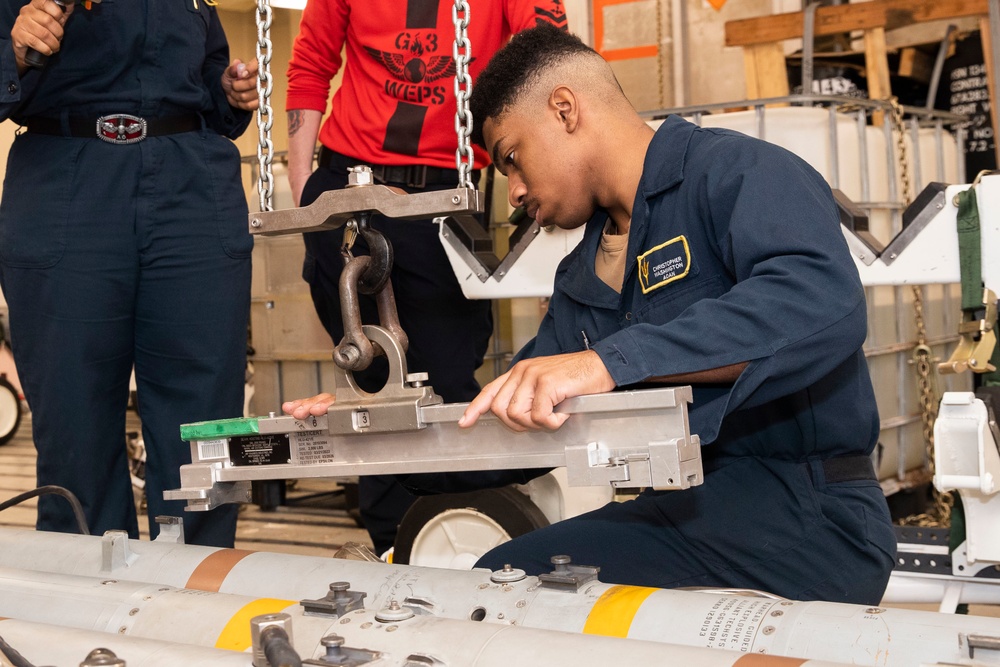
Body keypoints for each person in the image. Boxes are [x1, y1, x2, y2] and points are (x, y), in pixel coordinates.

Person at [287, 24, 897, 604]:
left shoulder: (736, 175)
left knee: (512, 586)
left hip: (814, 511)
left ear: (564, 109)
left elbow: (820, 301)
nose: (516, 191)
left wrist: (607, 363)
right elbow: (506, 426)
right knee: (500, 586)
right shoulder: (580, 277)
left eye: (512, 158)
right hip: (690, 504)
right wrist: (371, 424)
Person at [283, 0, 568, 556]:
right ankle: (396, 546)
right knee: (368, 382)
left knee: (445, 379)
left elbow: (547, 60)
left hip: (444, 192)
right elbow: (312, 63)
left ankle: (466, 535)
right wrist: (304, 193)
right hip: (345, 186)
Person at [0, 0, 258, 547]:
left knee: (206, 416)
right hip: (67, 179)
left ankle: (201, 588)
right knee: (74, 418)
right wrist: (16, 51)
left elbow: (203, 83)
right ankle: (84, 593)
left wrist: (227, 91)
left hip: (190, 185)